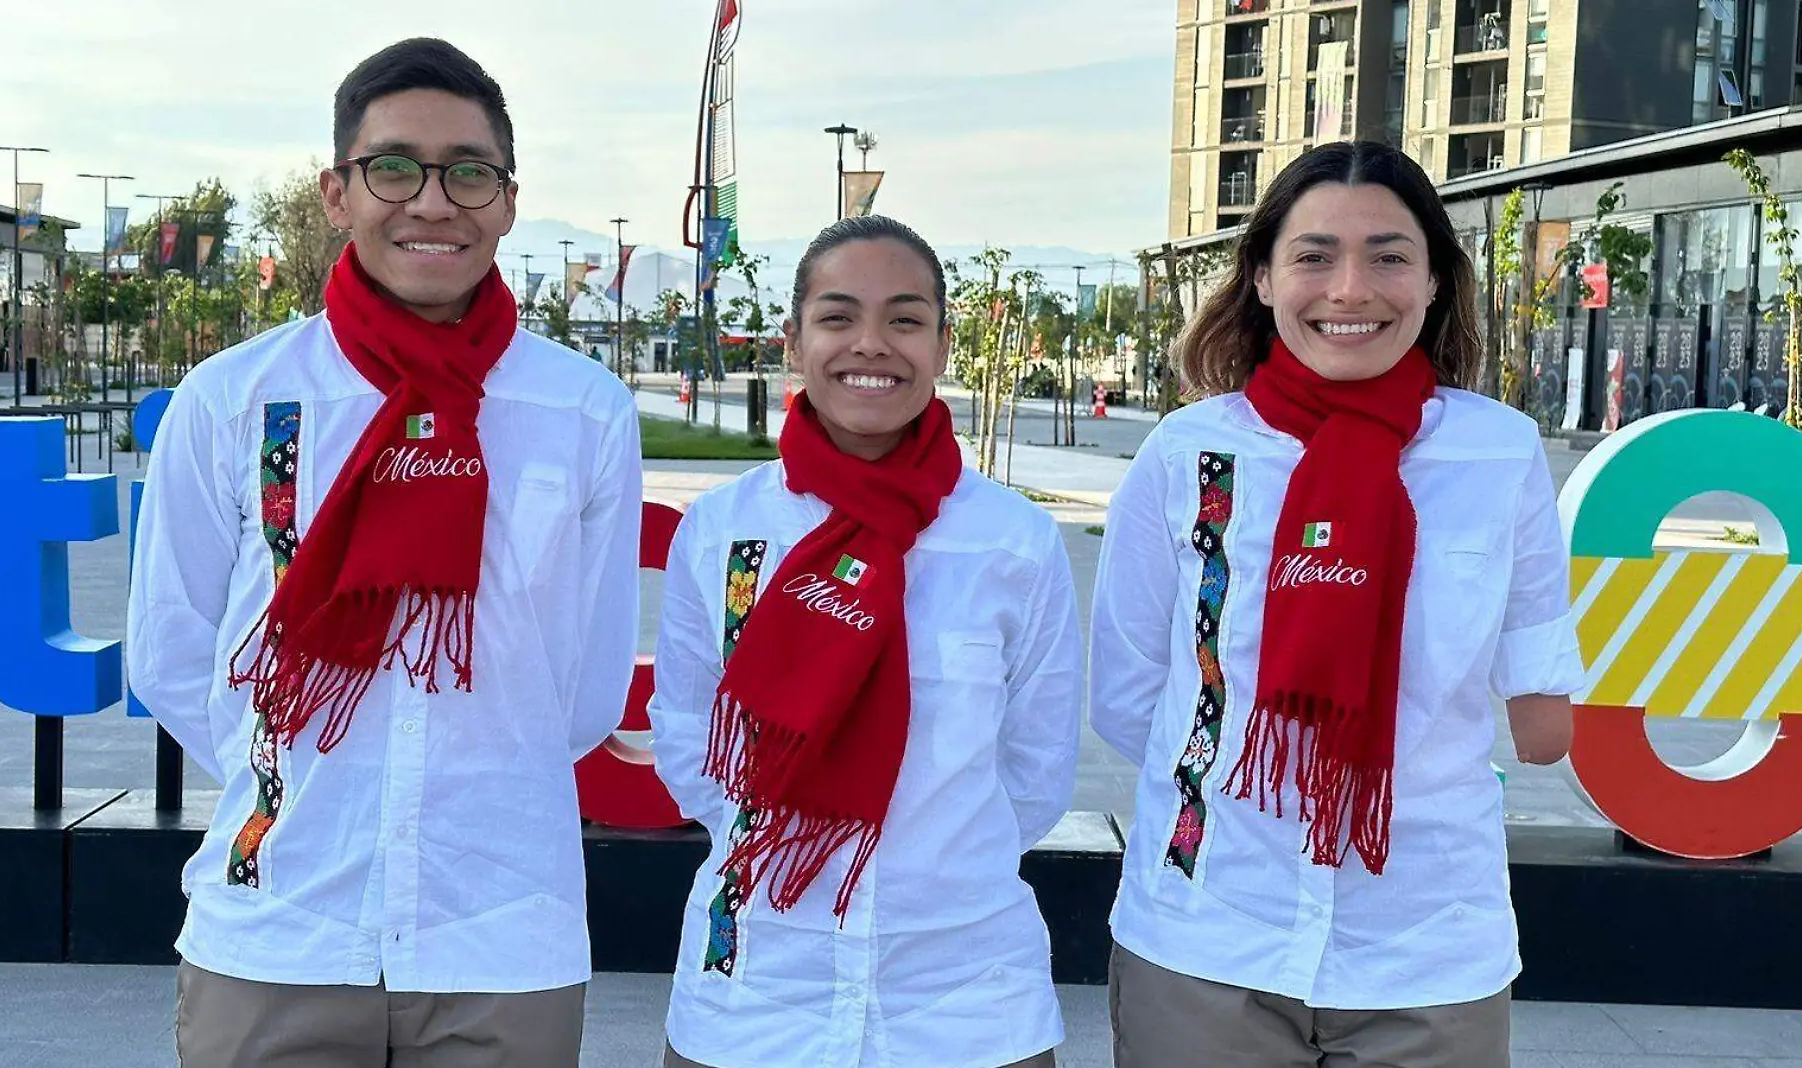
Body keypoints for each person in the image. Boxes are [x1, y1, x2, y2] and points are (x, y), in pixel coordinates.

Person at [126, 37, 641, 1067]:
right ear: (336, 192)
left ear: (506, 197)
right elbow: (173, 651)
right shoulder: (237, 398)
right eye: (394, 167)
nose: (433, 202)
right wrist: (297, 780)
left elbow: (581, 692)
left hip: (500, 933)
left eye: (469, 172)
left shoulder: (580, 411)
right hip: (279, 926)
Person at [1091, 140, 1580, 1068]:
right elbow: (1129, 692)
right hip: (1207, 936)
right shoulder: (1189, 456)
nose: (1350, 288)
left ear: (1435, 281)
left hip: (1427, 946)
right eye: (1314, 255)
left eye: (1390, 256)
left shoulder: (1498, 456)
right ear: (1265, 281)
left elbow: (1542, 716)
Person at [647, 215, 1082, 1068]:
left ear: (944, 343)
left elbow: (1036, 770)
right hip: (759, 985)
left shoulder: (1012, 542)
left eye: (906, 319)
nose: (871, 345)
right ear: (793, 341)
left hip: (964, 994)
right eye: (839, 317)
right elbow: (690, 740)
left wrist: (929, 866)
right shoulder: (724, 532)